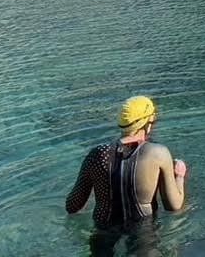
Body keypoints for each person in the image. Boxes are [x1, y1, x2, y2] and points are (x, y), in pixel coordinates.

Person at [66, 96, 188, 229]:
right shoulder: (158, 153)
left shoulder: (97, 154)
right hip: (143, 230)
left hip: (104, 230)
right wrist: (179, 176)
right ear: (147, 124)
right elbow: (173, 206)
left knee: (101, 246)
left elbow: (72, 206)